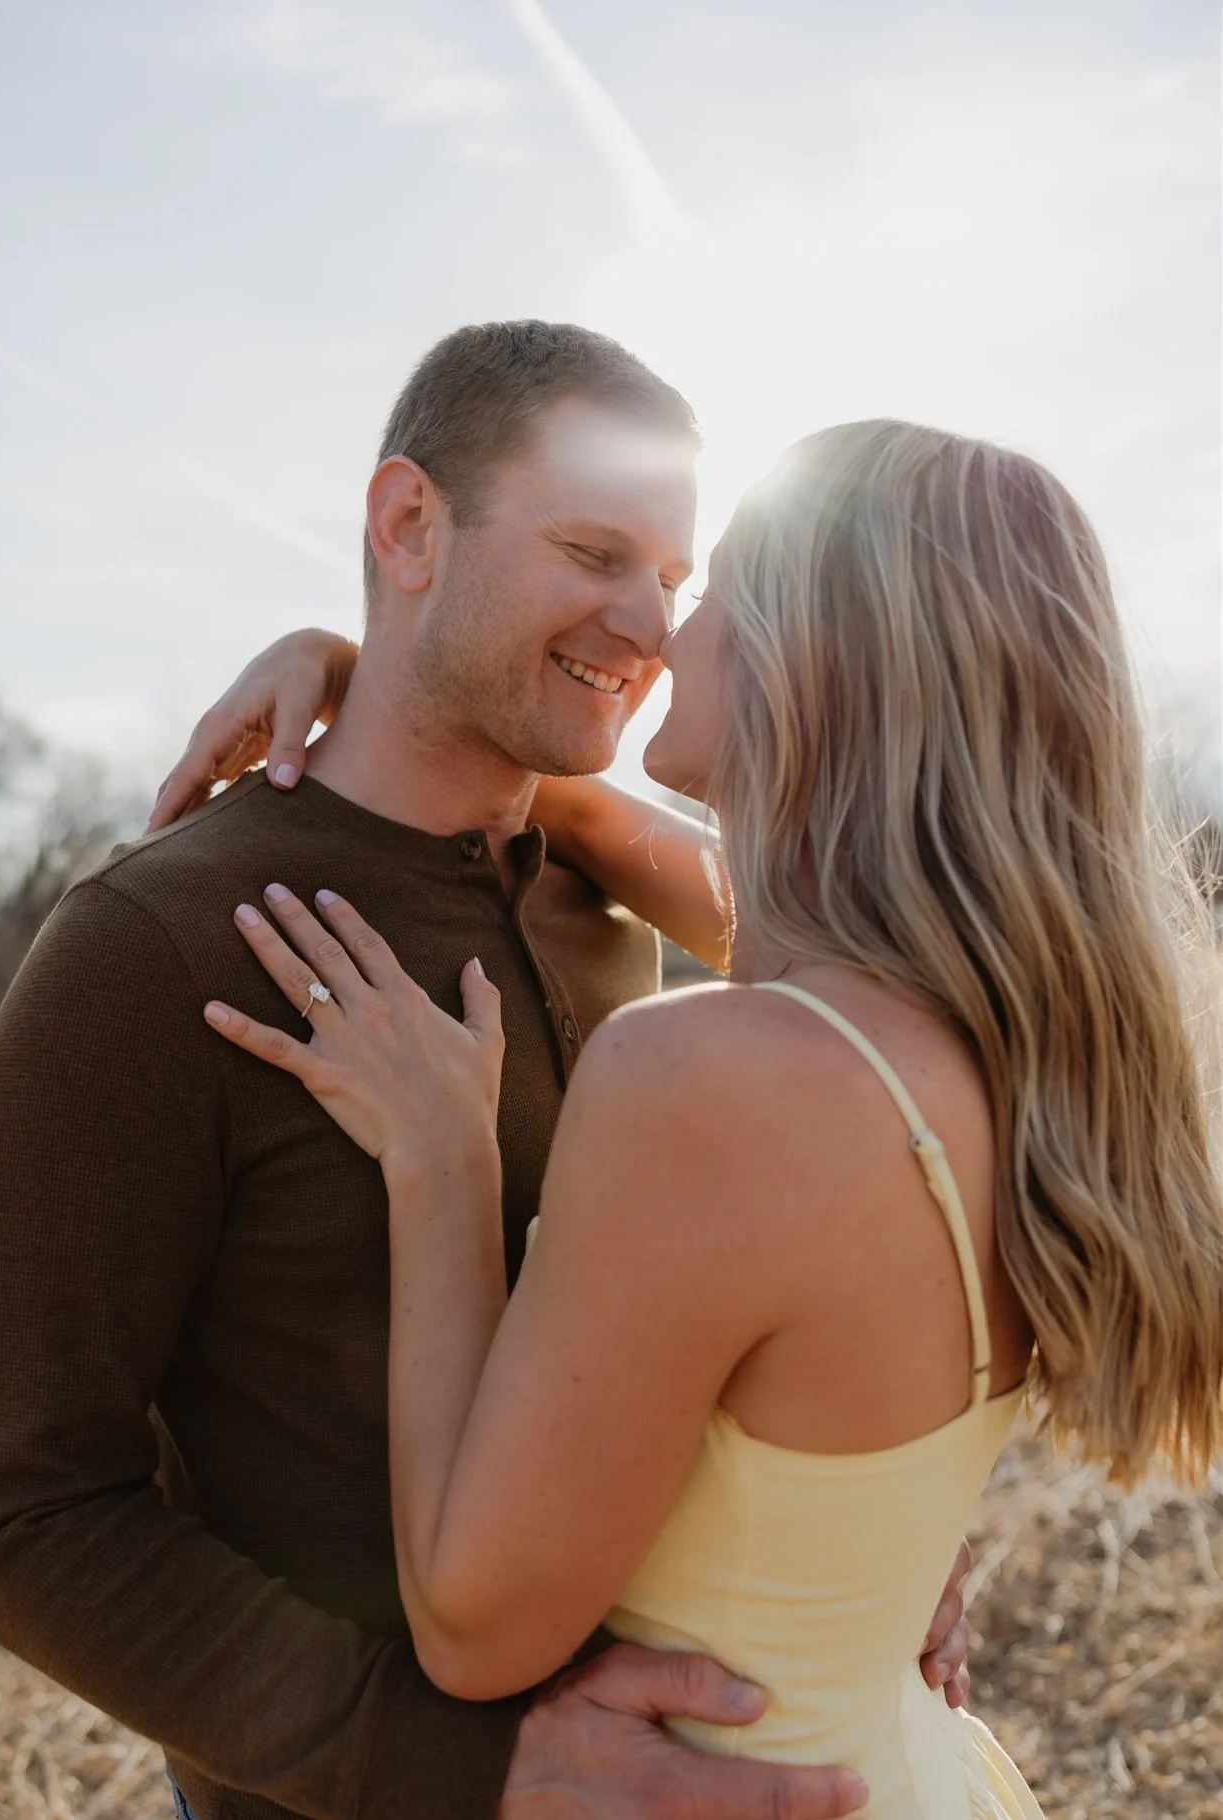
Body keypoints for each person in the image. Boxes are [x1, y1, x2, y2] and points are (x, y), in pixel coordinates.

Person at [0, 322, 972, 1820]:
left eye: (675, 583)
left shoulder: (612, 904)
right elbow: (23, 1517)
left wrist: (864, 1528)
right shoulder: (149, 946)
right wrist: (462, 1771)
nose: (652, 628)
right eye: (594, 551)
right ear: (409, 524)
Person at [173, 419, 1222, 1818]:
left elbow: (477, 1628)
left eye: (716, 587)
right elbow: (710, 890)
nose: (669, 632)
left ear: (822, 662)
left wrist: (440, 1161)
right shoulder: (1011, 1037)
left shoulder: (715, 1082)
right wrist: (393, 697)